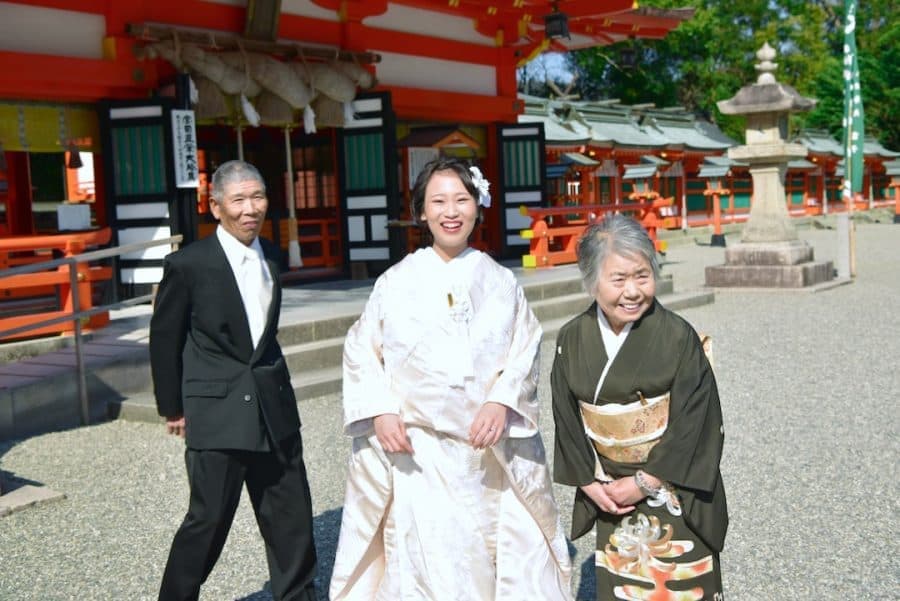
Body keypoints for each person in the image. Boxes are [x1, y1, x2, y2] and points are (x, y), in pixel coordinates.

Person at [329, 157, 572, 600]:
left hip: (484, 452)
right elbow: (361, 349)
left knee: (490, 559)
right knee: (424, 566)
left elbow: (525, 346)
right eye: (437, 201)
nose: (451, 211)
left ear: (478, 207)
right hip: (417, 453)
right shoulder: (394, 282)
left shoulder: (500, 282)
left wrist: (501, 402)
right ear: (421, 211)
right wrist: (381, 411)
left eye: (462, 199)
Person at [150, 160, 317, 601]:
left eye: (257, 197)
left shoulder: (272, 255)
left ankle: (298, 594)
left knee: (291, 516)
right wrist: (173, 406)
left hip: (273, 403)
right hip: (217, 408)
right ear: (216, 206)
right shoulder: (188, 265)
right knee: (207, 521)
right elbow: (164, 339)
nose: (250, 209)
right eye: (239, 199)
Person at [551, 214, 728, 600]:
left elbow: (695, 422)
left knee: (680, 585)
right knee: (626, 587)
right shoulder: (572, 339)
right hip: (611, 492)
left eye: (642, 276)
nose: (632, 291)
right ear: (591, 280)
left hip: (673, 488)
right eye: (618, 279)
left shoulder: (677, 336)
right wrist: (587, 481)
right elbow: (566, 417)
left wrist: (645, 482)